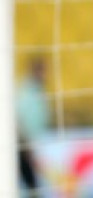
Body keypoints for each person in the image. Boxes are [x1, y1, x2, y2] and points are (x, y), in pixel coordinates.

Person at [16, 57, 50, 194]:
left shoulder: (38, 91)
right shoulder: (26, 92)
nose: (47, 75)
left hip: (25, 144)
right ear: (37, 71)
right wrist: (25, 145)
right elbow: (17, 119)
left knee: (30, 184)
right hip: (20, 144)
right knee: (30, 184)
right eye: (44, 71)